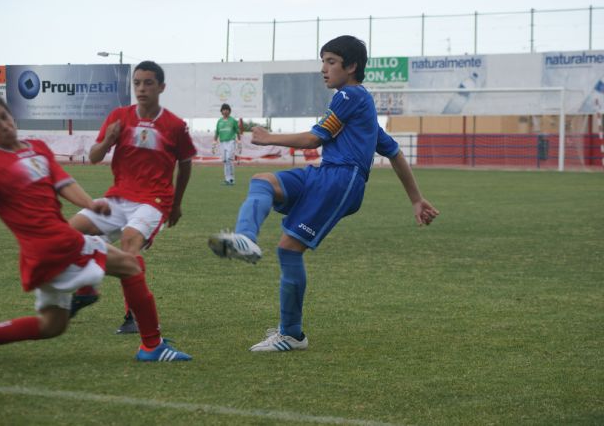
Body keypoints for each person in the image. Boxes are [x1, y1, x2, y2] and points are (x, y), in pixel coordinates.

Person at [208, 35, 439, 352]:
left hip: (341, 181)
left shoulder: (350, 95)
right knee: (262, 181)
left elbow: (314, 139)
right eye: (323, 61)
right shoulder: (361, 110)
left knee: (289, 250)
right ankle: (245, 239)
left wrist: (266, 138)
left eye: (331, 61)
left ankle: (292, 335)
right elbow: (395, 153)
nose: (323, 69)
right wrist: (415, 198)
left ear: (352, 66)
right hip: (325, 173)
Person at [0, 88, 191, 361]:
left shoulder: (37, 148)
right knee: (130, 266)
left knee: (52, 325)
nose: (3, 125)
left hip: (46, 254)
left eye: (4, 116)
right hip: (58, 246)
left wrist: (91, 203)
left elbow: (63, 182)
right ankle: (152, 346)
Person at [68, 61, 196, 334]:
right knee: (68, 233)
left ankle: (134, 317)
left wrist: (177, 204)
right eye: (137, 83)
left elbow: (185, 164)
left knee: (130, 241)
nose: (141, 88)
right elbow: (93, 157)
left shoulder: (175, 125)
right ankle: (87, 286)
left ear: (161, 87)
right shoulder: (119, 117)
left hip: (155, 200)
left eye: (148, 83)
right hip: (118, 197)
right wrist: (107, 140)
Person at [213, 103, 241, 185]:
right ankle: (227, 179)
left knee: (229, 159)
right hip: (222, 142)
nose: (225, 111)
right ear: (221, 111)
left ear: (229, 111)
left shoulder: (233, 121)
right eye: (223, 110)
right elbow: (217, 132)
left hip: (231, 141)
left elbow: (238, 132)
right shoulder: (219, 121)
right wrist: (214, 143)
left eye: (227, 109)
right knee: (225, 160)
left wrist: (239, 142)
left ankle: (231, 179)